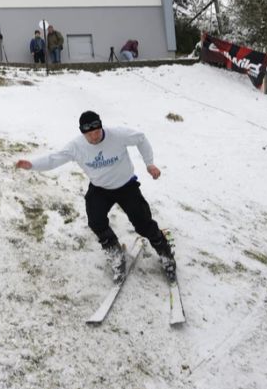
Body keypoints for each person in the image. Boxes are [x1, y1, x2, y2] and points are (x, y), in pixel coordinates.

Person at [14, 111, 176, 281]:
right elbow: (54, 159)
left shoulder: (117, 135)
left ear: (101, 126)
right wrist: (32, 165)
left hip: (126, 186)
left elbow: (141, 138)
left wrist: (149, 163)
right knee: (96, 221)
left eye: (97, 131)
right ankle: (115, 253)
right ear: (82, 132)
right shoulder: (76, 146)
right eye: (89, 133)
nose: (94, 136)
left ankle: (165, 253)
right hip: (100, 188)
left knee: (143, 223)